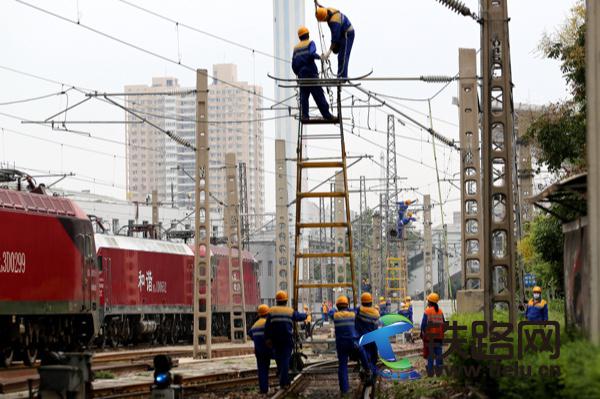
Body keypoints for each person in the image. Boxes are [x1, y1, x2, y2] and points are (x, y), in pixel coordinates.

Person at [264, 290, 307, 388]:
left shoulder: (271, 311)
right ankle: (284, 382)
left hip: (275, 340)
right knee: (285, 360)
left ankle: (283, 379)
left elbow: (267, 327)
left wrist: (267, 339)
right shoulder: (290, 311)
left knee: (279, 360)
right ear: (286, 301)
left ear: (277, 300)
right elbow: (299, 317)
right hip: (287, 340)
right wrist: (306, 315)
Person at [292, 26, 335, 121]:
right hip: (311, 73)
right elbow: (311, 54)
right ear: (308, 35)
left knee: (304, 96)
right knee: (319, 95)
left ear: (299, 37)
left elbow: (293, 65)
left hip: (301, 75)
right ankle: (327, 115)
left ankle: (305, 116)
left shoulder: (295, 48)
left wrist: (298, 73)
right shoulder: (310, 43)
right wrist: (320, 57)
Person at [315, 3, 355, 79]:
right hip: (342, 33)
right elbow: (323, 9)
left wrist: (328, 53)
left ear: (325, 18)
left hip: (347, 34)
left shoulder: (334, 22)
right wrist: (317, 4)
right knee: (339, 55)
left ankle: (342, 77)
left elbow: (335, 39)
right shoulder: (327, 11)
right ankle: (340, 75)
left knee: (343, 56)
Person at [333, 295, 359, 394]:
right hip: (352, 342)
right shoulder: (352, 314)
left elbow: (331, 312)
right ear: (347, 305)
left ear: (337, 306)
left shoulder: (335, 315)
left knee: (343, 366)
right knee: (362, 352)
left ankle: (344, 390)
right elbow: (356, 311)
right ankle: (367, 370)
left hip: (341, 344)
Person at [355, 292, 380, 379]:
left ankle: (366, 370)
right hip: (372, 339)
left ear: (362, 302)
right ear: (371, 302)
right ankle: (372, 375)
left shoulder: (358, 311)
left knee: (364, 356)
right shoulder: (376, 313)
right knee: (373, 358)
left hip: (361, 339)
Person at [249, 304, 272, 394]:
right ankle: (283, 383)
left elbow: (251, 334)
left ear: (259, 314)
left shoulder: (254, 326)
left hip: (259, 351)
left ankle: (263, 389)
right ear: (268, 313)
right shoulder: (269, 323)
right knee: (281, 363)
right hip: (270, 350)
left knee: (262, 370)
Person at [420, 293, 445, 377]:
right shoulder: (440, 311)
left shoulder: (427, 311)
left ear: (430, 302)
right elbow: (444, 324)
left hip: (430, 338)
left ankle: (430, 373)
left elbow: (423, 325)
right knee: (439, 355)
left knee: (430, 356)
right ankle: (439, 373)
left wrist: (424, 333)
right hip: (439, 338)